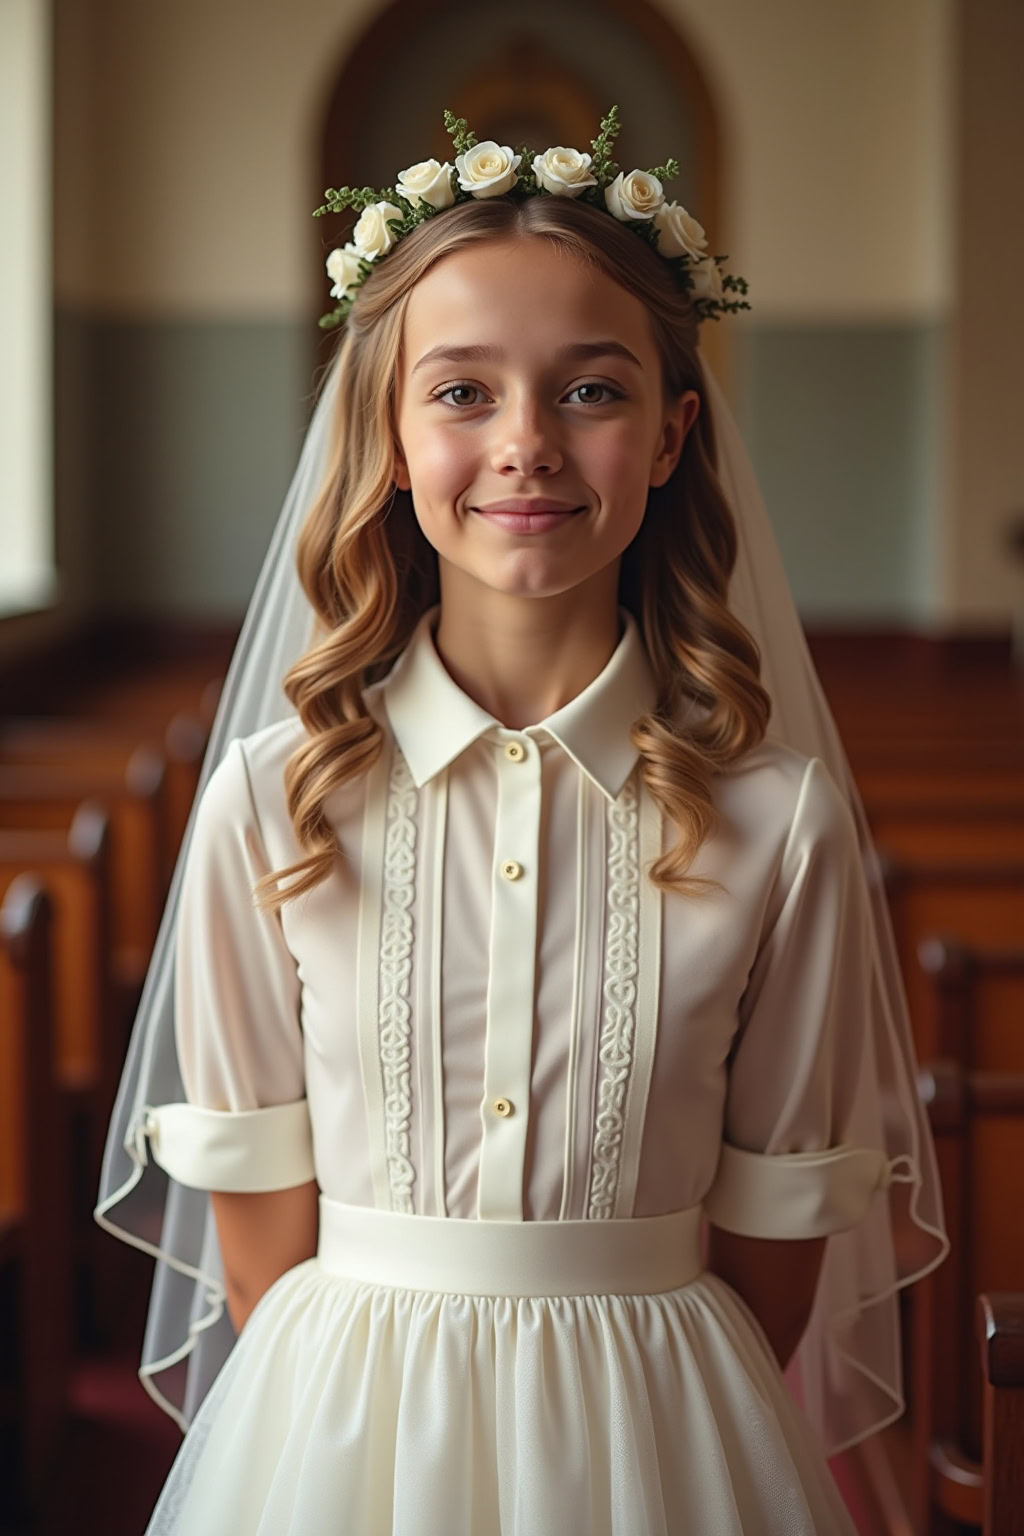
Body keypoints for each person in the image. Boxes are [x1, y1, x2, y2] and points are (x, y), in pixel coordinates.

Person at [94, 107, 949, 1534]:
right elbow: (259, 1250)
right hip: (344, 1437)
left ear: (674, 434)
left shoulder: (777, 823)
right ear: (386, 430)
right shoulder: (273, 797)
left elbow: (775, 1263)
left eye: (593, 392)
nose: (528, 446)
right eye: (463, 392)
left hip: (663, 1439)